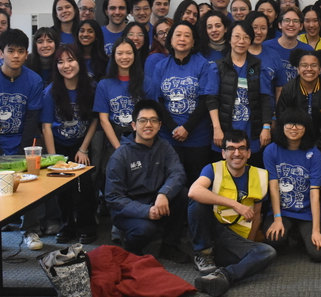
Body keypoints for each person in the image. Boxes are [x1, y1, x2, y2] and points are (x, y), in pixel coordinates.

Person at [0, 29, 45, 251]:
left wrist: (21, 152)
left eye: (21, 51)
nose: (16, 56)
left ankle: (30, 230)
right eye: (11, 51)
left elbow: (32, 118)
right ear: (1, 53)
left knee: (30, 183)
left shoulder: (34, 80)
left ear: (26, 54)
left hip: (23, 139)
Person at [187, 130, 276, 297]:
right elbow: (193, 191)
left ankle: (222, 276)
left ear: (249, 153)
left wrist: (248, 246)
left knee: (267, 252)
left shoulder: (260, 175)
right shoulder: (213, 169)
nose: (236, 153)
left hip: (235, 240)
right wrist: (235, 205)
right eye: (231, 149)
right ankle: (203, 254)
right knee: (197, 203)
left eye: (242, 148)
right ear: (223, 153)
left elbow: (257, 216)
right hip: (213, 231)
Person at [105, 99, 188, 261]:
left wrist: (164, 194)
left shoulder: (164, 146)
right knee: (145, 230)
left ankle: (169, 246)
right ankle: (131, 246)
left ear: (159, 125)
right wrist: (146, 211)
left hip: (156, 199)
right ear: (134, 125)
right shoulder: (120, 155)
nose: (148, 125)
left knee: (182, 194)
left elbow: (178, 173)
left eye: (153, 120)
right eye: (143, 120)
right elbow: (113, 197)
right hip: (129, 209)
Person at [41, 44, 99, 244]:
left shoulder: (91, 88)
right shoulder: (50, 92)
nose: (66, 66)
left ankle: (87, 226)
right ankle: (66, 226)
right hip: (58, 146)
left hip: (81, 144)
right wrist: (54, 159)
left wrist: (83, 148)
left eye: (70, 60)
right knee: (62, 188)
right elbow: (46, 127)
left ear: (79, 62)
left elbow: (94, 120)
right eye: (60, 62)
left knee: (85, 187)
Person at [149, 21, 219, 183]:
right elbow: (157, 101)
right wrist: (174, 128)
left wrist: (187, 128)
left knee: (196, 183)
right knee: (170, 182)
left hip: (198, 137)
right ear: (171, 40)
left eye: (187, 36)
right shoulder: (161, 67)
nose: (182, 39)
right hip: (168, 136)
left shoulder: (203, 65)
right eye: (178, 35)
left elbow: (205, 100)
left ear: (193, 41)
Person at [263, 109, 321, 262]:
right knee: (273, 241)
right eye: (289, 124)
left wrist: (316, 230)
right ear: (282, 126)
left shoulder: (314, 154)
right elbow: (273, 187)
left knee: (319, 254)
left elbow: (315, 193)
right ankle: (290, 234)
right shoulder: (271, 150)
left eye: (299, 124)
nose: (294, 128)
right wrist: (277, 219)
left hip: (307, 212)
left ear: (306, 128)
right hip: (283, 211)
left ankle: (300, 235)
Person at [207, 22, 273, 164]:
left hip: (252, 132)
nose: (241, 41)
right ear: (229, 39)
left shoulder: (259, 66)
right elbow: (212, 99)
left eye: (246, 37)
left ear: (250, 41)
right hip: (224, 130)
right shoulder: (218, 67)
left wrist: (266, 127)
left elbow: (265, 98)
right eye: (237, 36)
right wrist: (217, 128)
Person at [93, 37, 156, 174]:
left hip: (141, 139)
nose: (124, 57)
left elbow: (151, 117)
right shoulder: (104, 85)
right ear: (113, 56)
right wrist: (119, 149)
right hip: (115, 139)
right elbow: (104, 120)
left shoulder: (147, 82)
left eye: (129, 53)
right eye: (120, 53)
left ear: (135, 55)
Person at [275, 49, 321, 139]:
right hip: (294, 139)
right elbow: (283, 119)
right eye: (304, 65)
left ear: (320, 69)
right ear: (298, 69)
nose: (309, 69)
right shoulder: (288, 89)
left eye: (314, 65)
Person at [264, 6, 313, 83]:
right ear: (280, 24)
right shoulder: (266, 47)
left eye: (295, 21)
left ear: (301, 26)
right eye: (287, 20)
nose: (291, 24)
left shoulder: (308, 50)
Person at [247, 11, 286, 109]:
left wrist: (276, 113)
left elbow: (279, 88)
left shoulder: (273, 55)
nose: (259, 32)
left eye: (263, 28)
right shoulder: (238, 53)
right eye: (254, 27)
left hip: (268, 111)